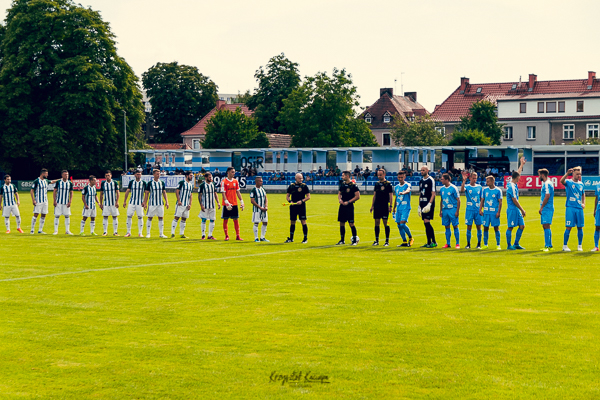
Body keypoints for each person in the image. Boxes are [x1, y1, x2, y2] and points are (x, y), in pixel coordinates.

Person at [560, 167, 585, 251]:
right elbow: (561, 181)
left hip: (579, 208)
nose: (579, 175)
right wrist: (567, 173)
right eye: (577, 174)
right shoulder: (569, 182)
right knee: (568, 227)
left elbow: (583, 194)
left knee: (580, 227)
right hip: (570, 207)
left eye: (580, 174)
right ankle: (565, 246)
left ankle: (580, 246)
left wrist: (583, 203)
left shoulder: (581, 184)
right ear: (573, 174)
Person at [506, 157, 527, 250]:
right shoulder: (512, 186)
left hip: (516, 209)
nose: (520, 177)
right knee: (510, 227)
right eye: (519, 177)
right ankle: (509, 245)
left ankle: (516, 244)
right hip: (512, 209)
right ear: (516, 177)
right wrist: (522, 209)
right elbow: (514, 200)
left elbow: (518, 172)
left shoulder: (513, 182)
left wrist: (521, 164)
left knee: (522, 226)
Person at [30, 169, 58, 234]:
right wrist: (33, 200)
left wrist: (60, 179)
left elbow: (52, 181)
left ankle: (40, 230)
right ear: (42, 174)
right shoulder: (36, 181)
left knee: (44, 215)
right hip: (38, 201)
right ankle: (32, 230)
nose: (47, 175)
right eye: (46, 174)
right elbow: (32, 190)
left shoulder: (46, 181)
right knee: (36, 214)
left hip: (45, 201)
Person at [285, 173, 310, 243]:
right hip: (293, 206)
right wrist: (290, 201)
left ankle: (305, 238)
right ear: (296, 178)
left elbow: (308, 197)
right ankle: (291, 238)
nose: (301, 179)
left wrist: (302, 201)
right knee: (292, 221)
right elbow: (287, 196)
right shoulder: (291, 186)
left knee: (303, 221)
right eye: (300, 178)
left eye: (302, 178)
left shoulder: (304, 186)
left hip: (301, 206)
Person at [370, 168, 393, 246]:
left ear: (384, 174)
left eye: (380, 175)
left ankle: (387, 241)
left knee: (385, 223)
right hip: (377, 205)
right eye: (378, 175)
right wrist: (372, 206)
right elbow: (374, 195)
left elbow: (391, 195)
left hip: (384, 205)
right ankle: (376, 240)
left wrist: (390, 206)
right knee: (376, 222)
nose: (379, 176)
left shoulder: (388, 184)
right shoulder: (376, 184)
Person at [460, 171, 483, 249]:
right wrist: (463, 180)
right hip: (469, 210)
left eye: (476, 178)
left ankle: (479, 244)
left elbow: (481, 199)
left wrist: (481, 208)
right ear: (470, 178)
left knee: (478, 227)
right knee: (469, 226)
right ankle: (468, 244)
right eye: (473, 178)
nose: (474, 180)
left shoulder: (479, 187)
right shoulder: (467, 186)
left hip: (477, 210)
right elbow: (462, 190)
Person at [143, 169, 169, 238]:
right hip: (152, 203)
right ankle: (148, 233)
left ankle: (161, 234)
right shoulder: (150, 183)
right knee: (150, 217)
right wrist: (145, 202)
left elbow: (164, 192)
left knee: (161, 217)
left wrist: (167, 201)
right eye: (157, 174)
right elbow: (146, 193)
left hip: (160, 203)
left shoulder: (162, 183)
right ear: (153, 174)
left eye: (159, 174)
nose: (158, 175)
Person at [337, 171, 360, 245]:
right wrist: (340, 199)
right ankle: (342, 240)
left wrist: (349, 202)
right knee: (341, 223)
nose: (342, 177)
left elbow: (357, 196)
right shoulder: (342, 184)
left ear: (347, 176)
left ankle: (354, 240)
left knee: (351, 223)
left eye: (343, 176)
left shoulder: (353, 185)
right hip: (342, 206)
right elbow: (339, 193)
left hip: (349, 206)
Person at [221, 167, 244, 241]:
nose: (233, 173)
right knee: (225, 220)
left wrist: (241, 201)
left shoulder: (235, 181)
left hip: (234, 203)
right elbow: (223, 193)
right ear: (228, 172)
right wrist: (226, 202)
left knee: (236, 219)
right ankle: (226, 236)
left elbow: (238, 192)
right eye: (232, 172)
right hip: (226, 204)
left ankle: (238, 236)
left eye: (234, 172)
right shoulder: (224, 181)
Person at [480, 175, 503, 250]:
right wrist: (480, 209)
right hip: (486, 212)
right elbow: (482, 200)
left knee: (496, 228)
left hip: (494, 212)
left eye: (488, 181)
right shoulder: (485, 190)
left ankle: (498, 244)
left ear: (493, 181)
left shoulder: (498, 190)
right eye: (486, 181)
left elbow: (500, 202)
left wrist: (498, 212)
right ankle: (485, 244)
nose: (486, 183)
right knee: (485, 227)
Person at [439, 173, 461, 249]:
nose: (441, 180)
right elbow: (441, 200)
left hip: (452, 209)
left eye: (442, 179)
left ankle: (457, 243)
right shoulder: (442, 189)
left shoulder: (453, 188)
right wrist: (440, 210)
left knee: (455, 226)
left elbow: (458, 200)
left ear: (447, 180)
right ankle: (448, 243)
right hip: (445, 210)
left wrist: (457, 211)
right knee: (446, 226)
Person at [123, 169, 146, 237]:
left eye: (140, 174)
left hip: (140, 202)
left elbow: (146, 193)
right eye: (137, 174)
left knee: (140, 217)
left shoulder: (143, 183)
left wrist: (145, 202)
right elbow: (127, 191)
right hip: (132, 202)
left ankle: (140, 233)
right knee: (129, 216)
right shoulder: (131, 182)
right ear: (135, 175)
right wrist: (125, 201)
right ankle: (128, 232)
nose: (139, 175)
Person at [393, 171, 413, 247]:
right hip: (399, 208)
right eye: (399, 177)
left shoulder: (407, 185)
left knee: (402, 224)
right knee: (399, 225)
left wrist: (403, 193)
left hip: (406, 207)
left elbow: (408, 190)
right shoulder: (396, 187)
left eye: (402, 177)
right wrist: (394, 207)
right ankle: (404, 241)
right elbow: (396, 197)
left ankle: (410, 238)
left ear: (404, 177)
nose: (400, 179)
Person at [171, 171, 194, 238]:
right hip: (181, 204)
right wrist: (179, 200)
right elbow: (177, 191)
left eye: (192, 175)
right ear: (187, 176)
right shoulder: (182, 183)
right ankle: (172, 233)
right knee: (177, 217)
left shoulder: (190, 185)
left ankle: (181, 233)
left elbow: (191, 195)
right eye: (190, 175)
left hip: (187, 204)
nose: (191, 177)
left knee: (184, 219)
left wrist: (190, 204)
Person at [419, 166, 437, 248]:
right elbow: (420, 193)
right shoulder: (421, 181)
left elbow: (433, 193)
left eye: (423, 170)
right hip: (422, 204)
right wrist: (419, 206)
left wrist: (429, 204)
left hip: (428, 204)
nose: (422, 171)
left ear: (427, 170)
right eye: (421, 170)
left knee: (427, 222)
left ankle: (433, 241)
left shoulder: (431, 180)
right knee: (425, 223)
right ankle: (429, 242)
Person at [198, 171, 220, 240]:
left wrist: (218, 202)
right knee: (204, 219)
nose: (211, 178)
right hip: (205, 205)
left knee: (212, 219)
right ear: (206, 177)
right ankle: (203, 235)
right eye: (209, 177)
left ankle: (210, 235)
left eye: (211, 177)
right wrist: (201, 204)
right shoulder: (202, 185)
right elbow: (200, 195)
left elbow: (215, 194)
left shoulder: (213, 184)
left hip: (212, 205)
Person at [99, 170, 120, 236]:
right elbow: (101, 194)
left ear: (111, 175)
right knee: (105, 216)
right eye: (106, 176)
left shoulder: (115, 183)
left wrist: (117, 202)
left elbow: (118, 192)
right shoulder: (103, 183)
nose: (107, 177)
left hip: (113, 203)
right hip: (106, 203)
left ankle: (115, 232)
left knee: (115, 216)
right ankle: (105, 232)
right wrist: (101, 203)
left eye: (108, 175)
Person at [53, 170, 74, 235]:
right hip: (58, 202)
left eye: (67, 174)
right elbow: (54, 191)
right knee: (57, 216)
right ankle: (56, 230)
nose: (66, 176)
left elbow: (71, 192)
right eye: (65, 174)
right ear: (62, 175)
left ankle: (67, 230)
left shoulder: (70, 183)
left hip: (66, 202)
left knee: (67, 216)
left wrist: (70, 201)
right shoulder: (58, 182)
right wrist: (54, 200)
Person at [538, 169, 554, 251]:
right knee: (546, 226)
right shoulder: (548, 183)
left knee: (546, 225)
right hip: (547, 207)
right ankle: (550, 244)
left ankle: (547, 245)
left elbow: (547, 196)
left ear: (542, 175)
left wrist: (542, 207)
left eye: (539, 175)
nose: (539, 177)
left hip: (547, 208)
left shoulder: (547, 184)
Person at [249, 176, 269, 242]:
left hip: (263, 209)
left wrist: (266, 206)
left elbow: (266, 198)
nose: (262, 182)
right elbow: (252, 200)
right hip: (257, 210)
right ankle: (256, 238)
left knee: (265, 222)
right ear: (256, 182)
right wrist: (260, 207)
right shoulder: (253, 190)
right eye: (260, 181)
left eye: (262, 181)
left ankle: (262, 237)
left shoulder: (263, 189)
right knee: (256, 223)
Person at [594, 181, 600, 252]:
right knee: (597, 227)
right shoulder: (598, 185)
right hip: (598, 209)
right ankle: (596, 246)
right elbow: (596, 198)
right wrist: (594, 209)